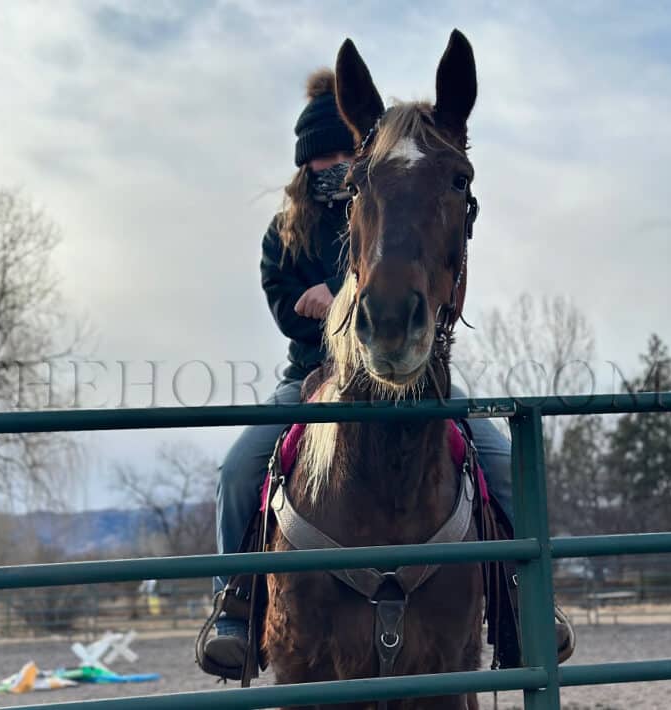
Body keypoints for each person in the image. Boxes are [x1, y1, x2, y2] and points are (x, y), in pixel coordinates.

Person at [202, 68, 572, 675]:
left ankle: (526, 600)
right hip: (312, 376)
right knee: (240, 467)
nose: (330, 165)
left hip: (415, 370)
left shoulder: (387, 198)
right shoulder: (285, 231)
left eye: (341, 152)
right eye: (317, 158)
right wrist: (326, 309)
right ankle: (234, 607)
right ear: (302, 165)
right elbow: (281, 300)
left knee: (503, 461)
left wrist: (350, 294)